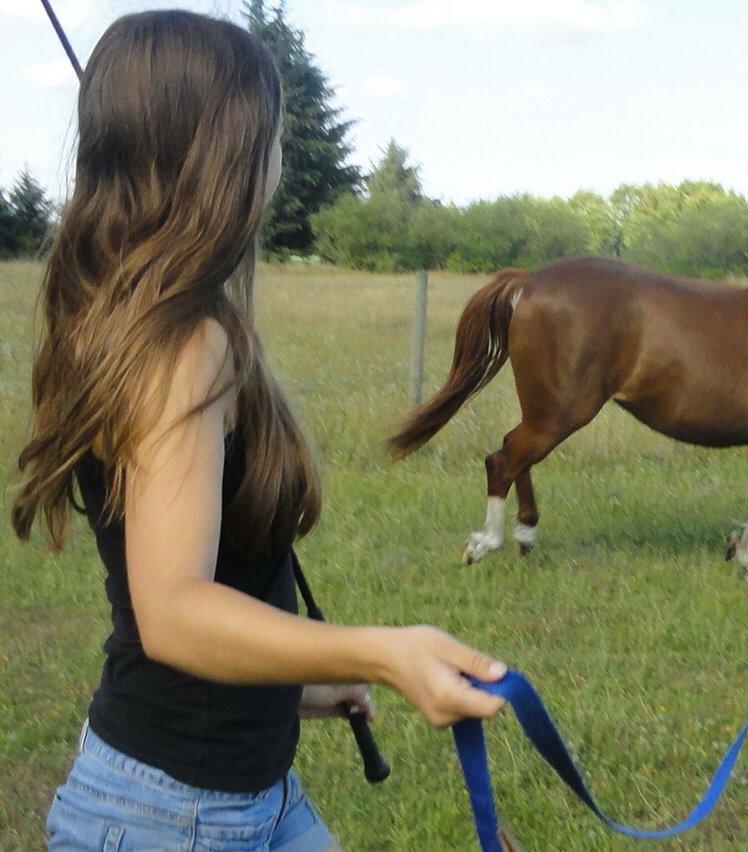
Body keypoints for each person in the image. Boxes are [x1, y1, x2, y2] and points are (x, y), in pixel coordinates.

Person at [11, 10, 505, 850]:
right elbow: (169, 611)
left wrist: (303, 680)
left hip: (239, 796)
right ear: (225, 156)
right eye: (270, 135)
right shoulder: (182, 343)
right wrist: (383, 651)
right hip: (174, 818)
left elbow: (196, 595)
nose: (277, 159)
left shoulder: (125, 319)